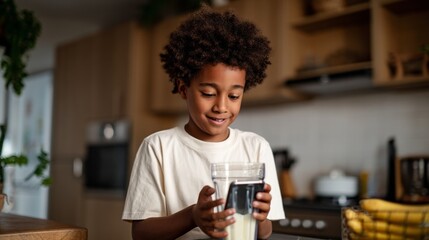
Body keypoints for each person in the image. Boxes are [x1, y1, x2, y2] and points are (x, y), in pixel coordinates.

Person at [122, 5, 285, 240]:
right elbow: (141, 233)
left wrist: (260, 218)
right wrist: (193, 216)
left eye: (234, 96)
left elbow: (265, 232)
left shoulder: (256, 147)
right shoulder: (158, 147)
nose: (221, 106)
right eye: (208, 93)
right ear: (183, 89)